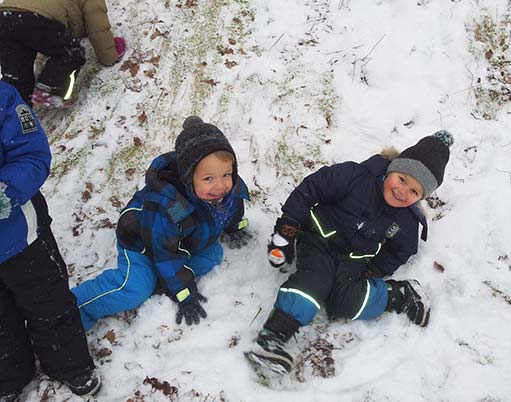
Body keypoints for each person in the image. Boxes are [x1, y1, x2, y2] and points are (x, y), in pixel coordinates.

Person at [245, 130, 454, 374]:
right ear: (392, 168)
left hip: (354, 261)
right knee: (315, 281)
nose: (403, 191)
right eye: (402, 179)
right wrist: (288, 226)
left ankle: (399, 295)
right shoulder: (355, 176)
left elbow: (401, 251)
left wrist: (374, 270)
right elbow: (312, 187)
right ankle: (273, 338)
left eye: (415, 192)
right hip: (319, 240)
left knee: (346, 303)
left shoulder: (406, 221)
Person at [72, 116, 251, 331]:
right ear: (188, 177)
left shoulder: (228, 191)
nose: (220, 185)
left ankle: (164, 278)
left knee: (212, 255)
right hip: (143, 243)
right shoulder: (171, 208)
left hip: (182, 240)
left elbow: (233, 211)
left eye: (226, 174)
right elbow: (165, 252)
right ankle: (74, 308)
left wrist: (233, 228)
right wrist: (184, 292)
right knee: (134, 290)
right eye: (208, 179)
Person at [0, 81, 100, 401]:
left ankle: (69, 364)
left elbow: (32, 153)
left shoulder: (4, 100)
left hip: (22, 236)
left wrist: (6, 191)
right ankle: (10, 373)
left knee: (49, 303)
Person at [0, 0, 126, 108]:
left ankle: (11, 114)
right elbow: (99, 30)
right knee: (71, 52)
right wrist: (110, 55)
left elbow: (61, 11)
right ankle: (49, 90)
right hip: (32, 19)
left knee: (17, 77)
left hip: (6, 15)